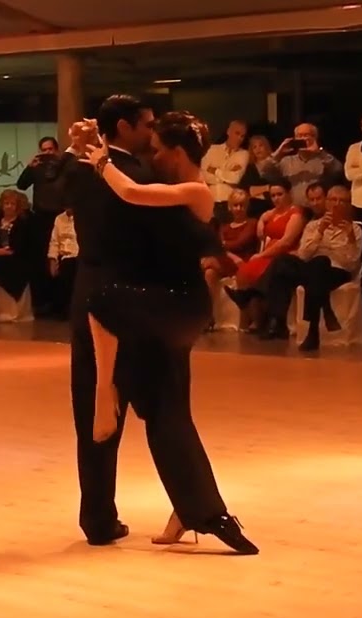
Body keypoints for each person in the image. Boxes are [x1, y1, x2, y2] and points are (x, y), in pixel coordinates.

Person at [62, 96, 257, 555]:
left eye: (157, 135)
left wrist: (86, 154)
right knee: (168, 413)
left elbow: (108, 193)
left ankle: (99, 516)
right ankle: (199, 511)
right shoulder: (147, 177)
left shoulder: (100, 175)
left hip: (110, 301)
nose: (151, 140)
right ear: (126, 127)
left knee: (102, 412)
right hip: (155, 305)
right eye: (145, 127)